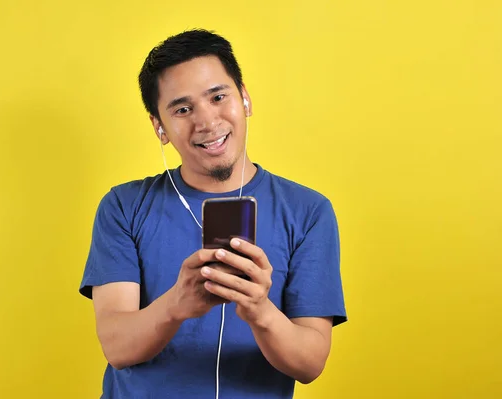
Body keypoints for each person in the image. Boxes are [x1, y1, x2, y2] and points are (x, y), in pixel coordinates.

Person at [79, 28, 347, 399]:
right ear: (160, 128)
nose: (207, 122)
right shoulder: (123, 207)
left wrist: (259, 310)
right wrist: (177, 303)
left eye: (218, 96)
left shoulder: (308, 211)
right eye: (183, 109)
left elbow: (310, 364)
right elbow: (117, 348)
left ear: (246, 99)